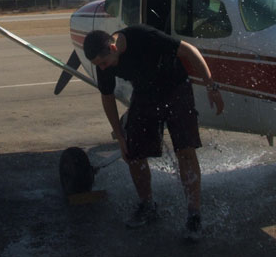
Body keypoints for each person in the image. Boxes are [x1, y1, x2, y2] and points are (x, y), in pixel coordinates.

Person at [83, 24, 224, 240]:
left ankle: (194, 215)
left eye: (103, 63)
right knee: (132, 151)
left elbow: (189, 50)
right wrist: (120, 136)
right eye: (98, 65)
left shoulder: (143, 36)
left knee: (185, 150)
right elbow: (107, 98)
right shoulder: (104, 65)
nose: (102, 68)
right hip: (145, 93)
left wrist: (211, 86)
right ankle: (147, 205)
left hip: (176, 87)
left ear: (112, 47)